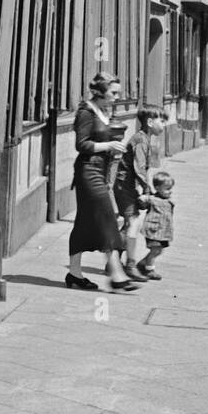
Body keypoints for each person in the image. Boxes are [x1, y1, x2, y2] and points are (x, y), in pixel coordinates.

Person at [66, 74, 136, 291]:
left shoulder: (103, 111)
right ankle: (116, 274)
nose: (117, 97)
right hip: (88, 172)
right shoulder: (85, 112)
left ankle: (74, 275)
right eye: (113, 93)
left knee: (83, 224)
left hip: (100, 170)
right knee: (108, 218)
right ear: (100, 92)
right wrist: (109, 146)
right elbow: (82, 144)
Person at [114, 103, 163, 281]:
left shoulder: (145, 138)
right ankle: (130, 265)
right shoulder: (141, 140)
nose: (163, 124)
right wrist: (147, 190)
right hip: (126, 186)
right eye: (161, 121)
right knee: (132, 223)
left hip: (127, 185)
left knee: (129, 224)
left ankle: (113, 262)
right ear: (150, 122)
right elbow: (139, 168)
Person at [139, 171, 175, 279]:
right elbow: (143, 200)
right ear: (158, 188)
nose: (170, 191)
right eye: (167, 188)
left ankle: (142, 263)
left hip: (163, 231)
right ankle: (149, 269)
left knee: (159, 250)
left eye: (171, 188)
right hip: (153, 230)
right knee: (155, 250)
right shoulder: (153, 199)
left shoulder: (168, 201)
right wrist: (144, 198)